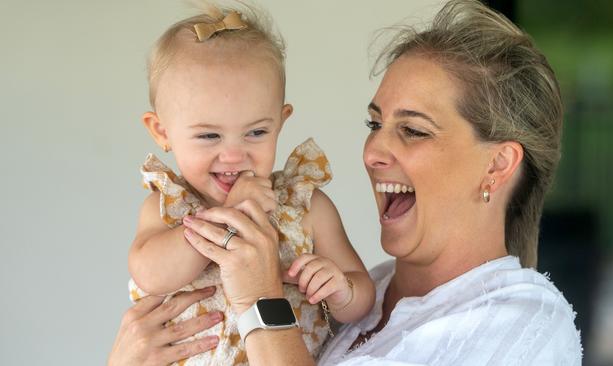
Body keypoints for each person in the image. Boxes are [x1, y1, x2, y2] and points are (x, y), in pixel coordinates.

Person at [109, 0, 583, 365]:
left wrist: (259, 296)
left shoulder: (524, 324)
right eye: (374, 125)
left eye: (413, 130)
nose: (373, 153)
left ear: (498, 165)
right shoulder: (363, 296)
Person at [124, 2, 375, 365]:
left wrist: (341, 290)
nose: (233, 155)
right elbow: (150, 273)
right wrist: (226, 214)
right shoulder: (169, 208)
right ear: (161, 132)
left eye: (256, 132)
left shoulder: (304, 206)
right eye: (209, 136)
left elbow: (362, 293)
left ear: (281, 121)